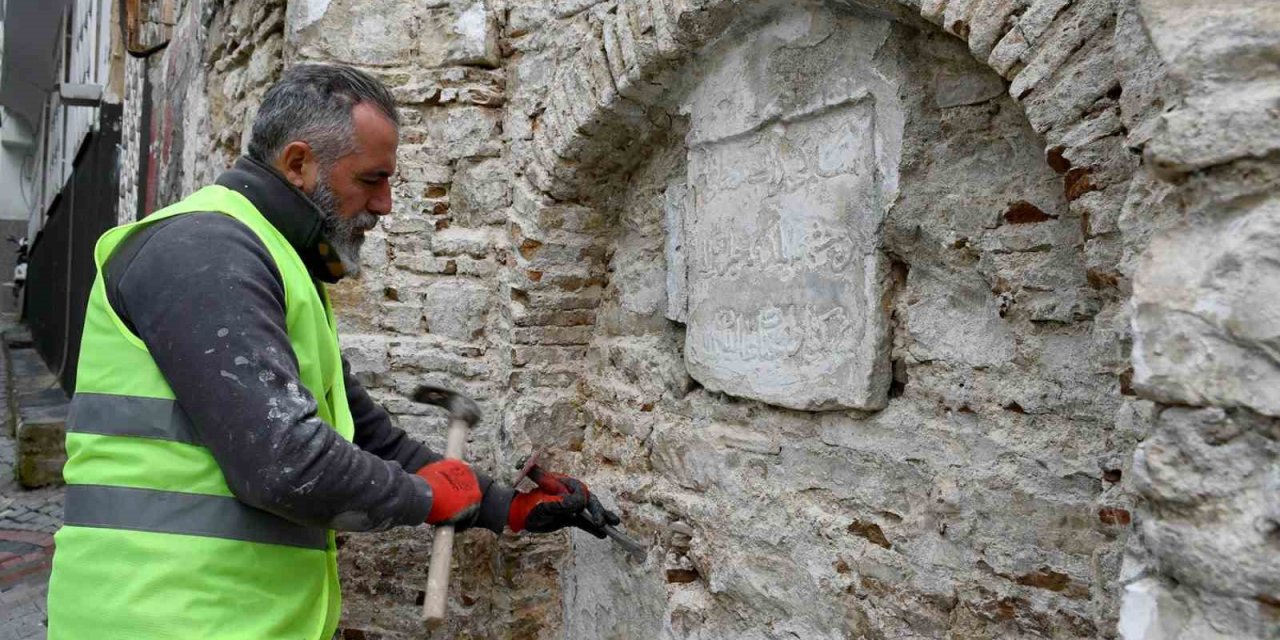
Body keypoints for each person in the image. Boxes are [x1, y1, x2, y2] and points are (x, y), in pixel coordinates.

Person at [45, 64, 617, 640]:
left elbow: (366, 431)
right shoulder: (205, 253)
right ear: (298, 165)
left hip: (226, 618)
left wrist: (501, 506)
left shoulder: (275, 259)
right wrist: (424, 497)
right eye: (371, 180)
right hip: (159, 618)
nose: (386, 204)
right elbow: (286, 463)